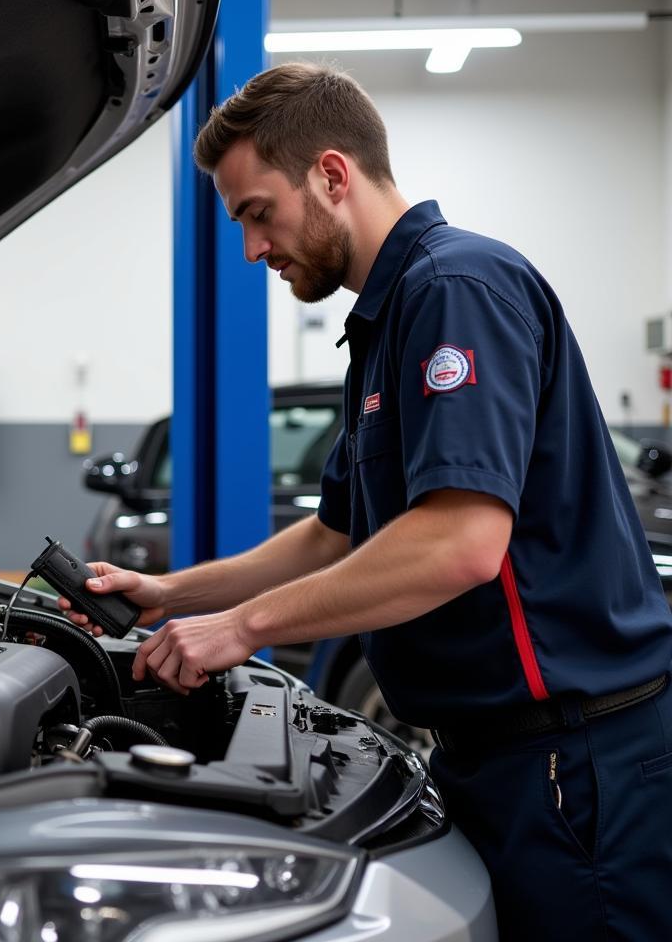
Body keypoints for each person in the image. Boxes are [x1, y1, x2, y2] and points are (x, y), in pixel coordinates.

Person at [59, 62, 672, 940]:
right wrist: (173, 594)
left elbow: (459, 544)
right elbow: (334, 534)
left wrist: (243, 629)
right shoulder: (386, 323)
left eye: (257, 213)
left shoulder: (455, 289)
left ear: (332, 175)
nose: (252, 249)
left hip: (574, 766)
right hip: (502, 760)